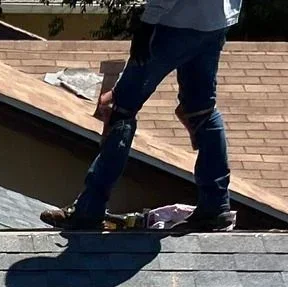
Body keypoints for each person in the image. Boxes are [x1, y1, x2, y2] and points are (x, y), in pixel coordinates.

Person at [42, 0, 239, 233]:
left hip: (175, 22)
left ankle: (89, 209)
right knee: (202, 110)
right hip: (215, 23)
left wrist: (148, 24)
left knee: (122, 109)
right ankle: (216, 207)